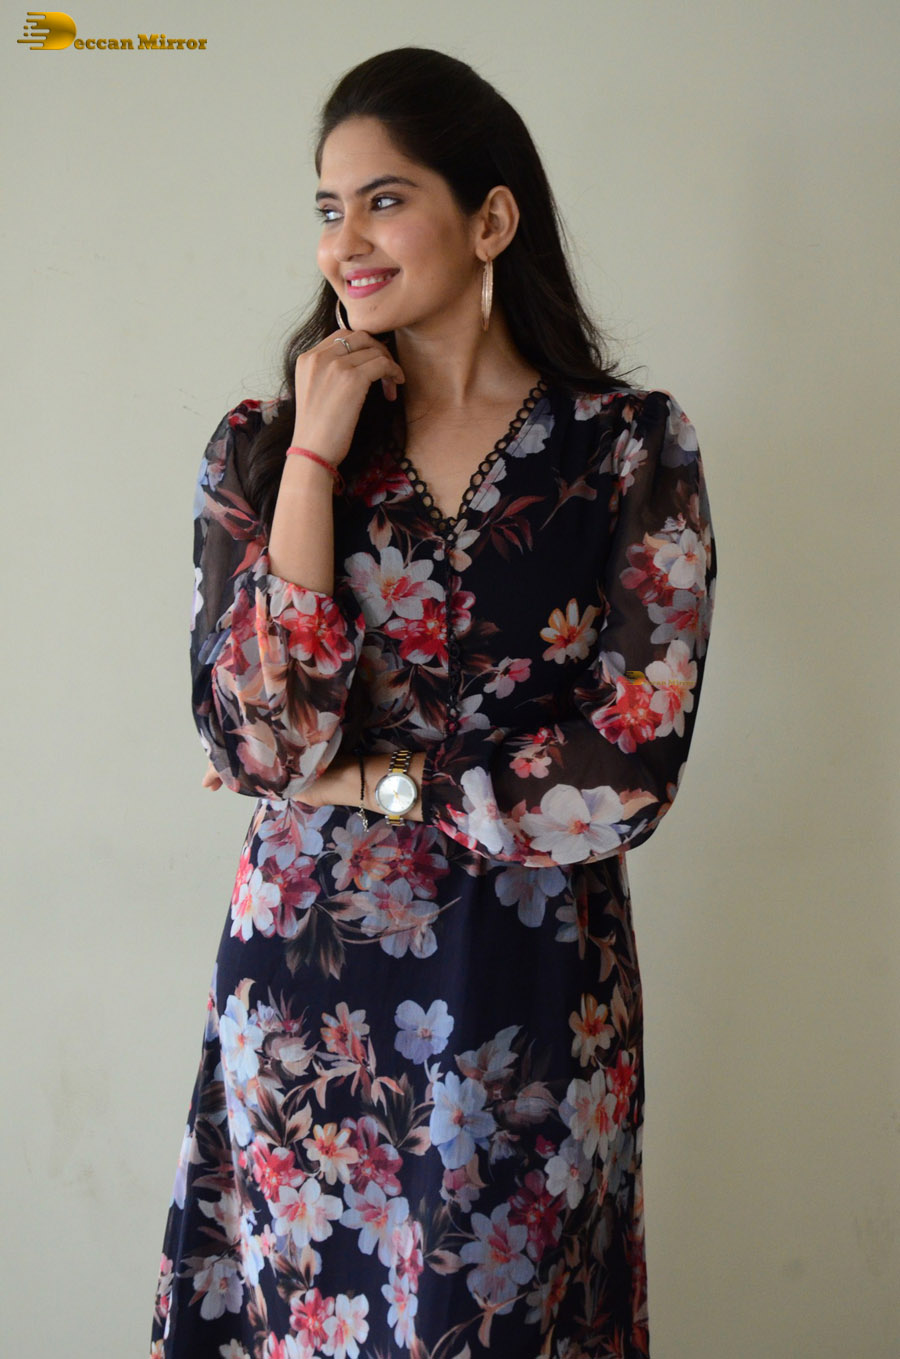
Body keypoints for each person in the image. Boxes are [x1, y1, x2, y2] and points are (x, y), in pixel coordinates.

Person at [150, 45, 716, 1359]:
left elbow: (629, 768)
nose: (345, 240)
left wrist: (375, 783)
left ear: (492, 218)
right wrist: (312, 456)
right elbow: (260, 741)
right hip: (304, 998)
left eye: (385, 199)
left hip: (534, 986)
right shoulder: (260, 444)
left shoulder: (627, 449)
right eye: (328, 207)